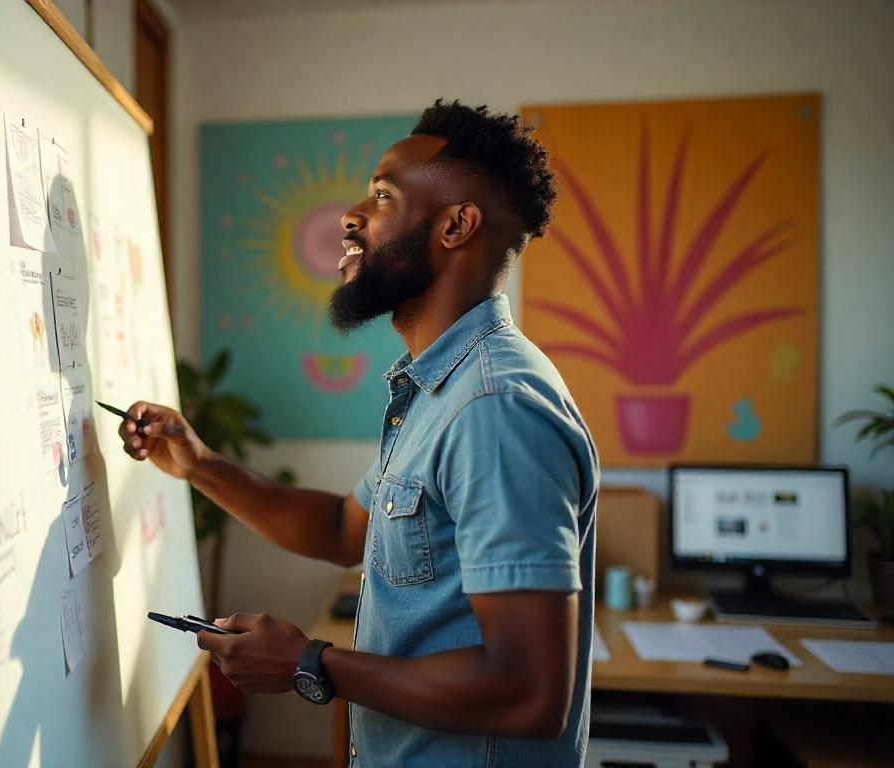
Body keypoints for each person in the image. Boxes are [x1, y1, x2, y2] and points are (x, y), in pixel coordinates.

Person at [117, 99, 599, 767]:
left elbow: (528, 694)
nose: (351, 216)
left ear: (456, 226)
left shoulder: (494, 408)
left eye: (382, 196)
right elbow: (345, 529)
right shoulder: (437, 387)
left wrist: (310, 663)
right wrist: (197, 463)